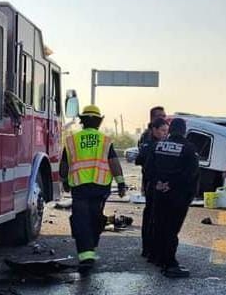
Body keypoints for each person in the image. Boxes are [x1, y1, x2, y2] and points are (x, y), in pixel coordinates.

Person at [59, 105, 127, 270]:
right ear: (98, 122)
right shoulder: (105, 140)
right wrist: (121, 183)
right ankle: (91, 247)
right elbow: (114, 163)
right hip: (100, 187)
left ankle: (86, 254)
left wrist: (65, 182)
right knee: (95, 217)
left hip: (79, 187)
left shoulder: (71, 140)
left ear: (82, 122)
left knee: (81, 219)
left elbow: (64, 165)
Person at [145, 118, 199, 277]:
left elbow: (148, 169)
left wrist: (159, 183)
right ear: (184, 131)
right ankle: (170, 265)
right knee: (171, 229)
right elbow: (190, 174)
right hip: (177, 197)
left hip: (158, 193)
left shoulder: (158, 146)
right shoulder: (189, 149)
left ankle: (157, 257)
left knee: (159, 225)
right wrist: (172, 185)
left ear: (170, 130)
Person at [135, 117, 169, 260]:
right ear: (154, 130)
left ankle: (149, 249)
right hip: (153, 185)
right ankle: (149, 249)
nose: (165, 134)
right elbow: (141, 162)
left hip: (153, 184)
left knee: (152, 216)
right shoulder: (150, 145)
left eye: (167, 131)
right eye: (162, 130)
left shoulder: (156, 144)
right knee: (152, 217)